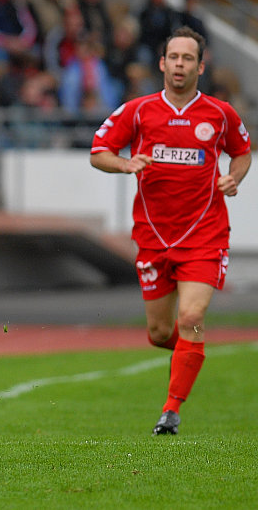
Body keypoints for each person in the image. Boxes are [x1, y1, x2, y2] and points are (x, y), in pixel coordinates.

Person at [90, 26, 251, 435]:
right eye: (174, 57)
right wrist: (124, 163)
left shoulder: (220, 114)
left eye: (188, 58)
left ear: (201, 66)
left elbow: (242, 152)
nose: (180, 64)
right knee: (160, 332)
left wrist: (233, 177)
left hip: (205, 234)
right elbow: (99, 151)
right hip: (153, 236)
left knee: (192, 315)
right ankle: (191, 350)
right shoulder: (138, 111)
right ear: (162, 64)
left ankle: (171, 410)